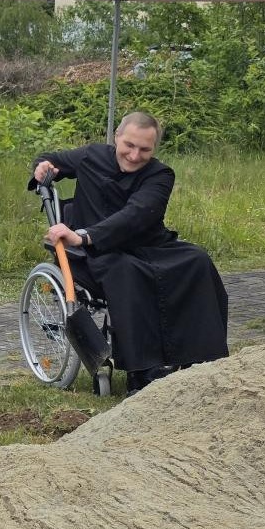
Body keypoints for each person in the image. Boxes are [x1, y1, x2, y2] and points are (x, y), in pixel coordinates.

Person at [31, 111, 229, 393]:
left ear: (154, 148)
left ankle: (202, 358)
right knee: (125, 271)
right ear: (117, 138)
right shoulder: (90, 156)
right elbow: (48, 159)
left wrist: (84, 235)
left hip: (147, 244)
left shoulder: (160, 175)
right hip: (95, 252)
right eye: (129, 145)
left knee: (197, 261)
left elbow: (136, 215)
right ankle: (143, 369)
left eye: (145, 149)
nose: (135, 156)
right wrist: (41, 167)